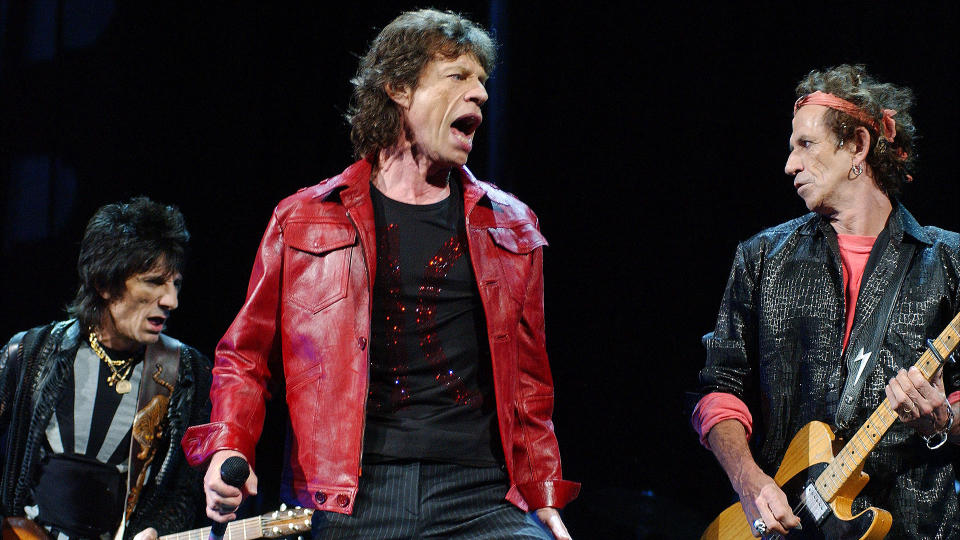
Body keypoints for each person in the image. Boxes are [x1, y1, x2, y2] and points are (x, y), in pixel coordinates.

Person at [181, 8, 579, 540]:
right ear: (398, 88)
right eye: (458, 76)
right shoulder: (303, 217)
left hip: (480, 494)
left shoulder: (509, 225)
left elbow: (530, 384)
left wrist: (543, 491)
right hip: (348, 494)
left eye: (483, 81)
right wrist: (229, 445)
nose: (480, 93)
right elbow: (245, 357)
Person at [692, 64, 960, 539]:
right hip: (785, 524)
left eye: (805, 145)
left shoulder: (949, 262)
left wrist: (942, 418)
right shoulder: (761, 258)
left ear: (858, 145)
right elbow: (719, 390)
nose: (789, 164)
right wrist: (749, 481)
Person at [0, 197, 211, 539]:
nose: (172, 301)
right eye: (155, 281)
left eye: (176, 284)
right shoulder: (31, 352)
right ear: (105, 284)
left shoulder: (187, 373)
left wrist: (155, 529)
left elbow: (186, 488)